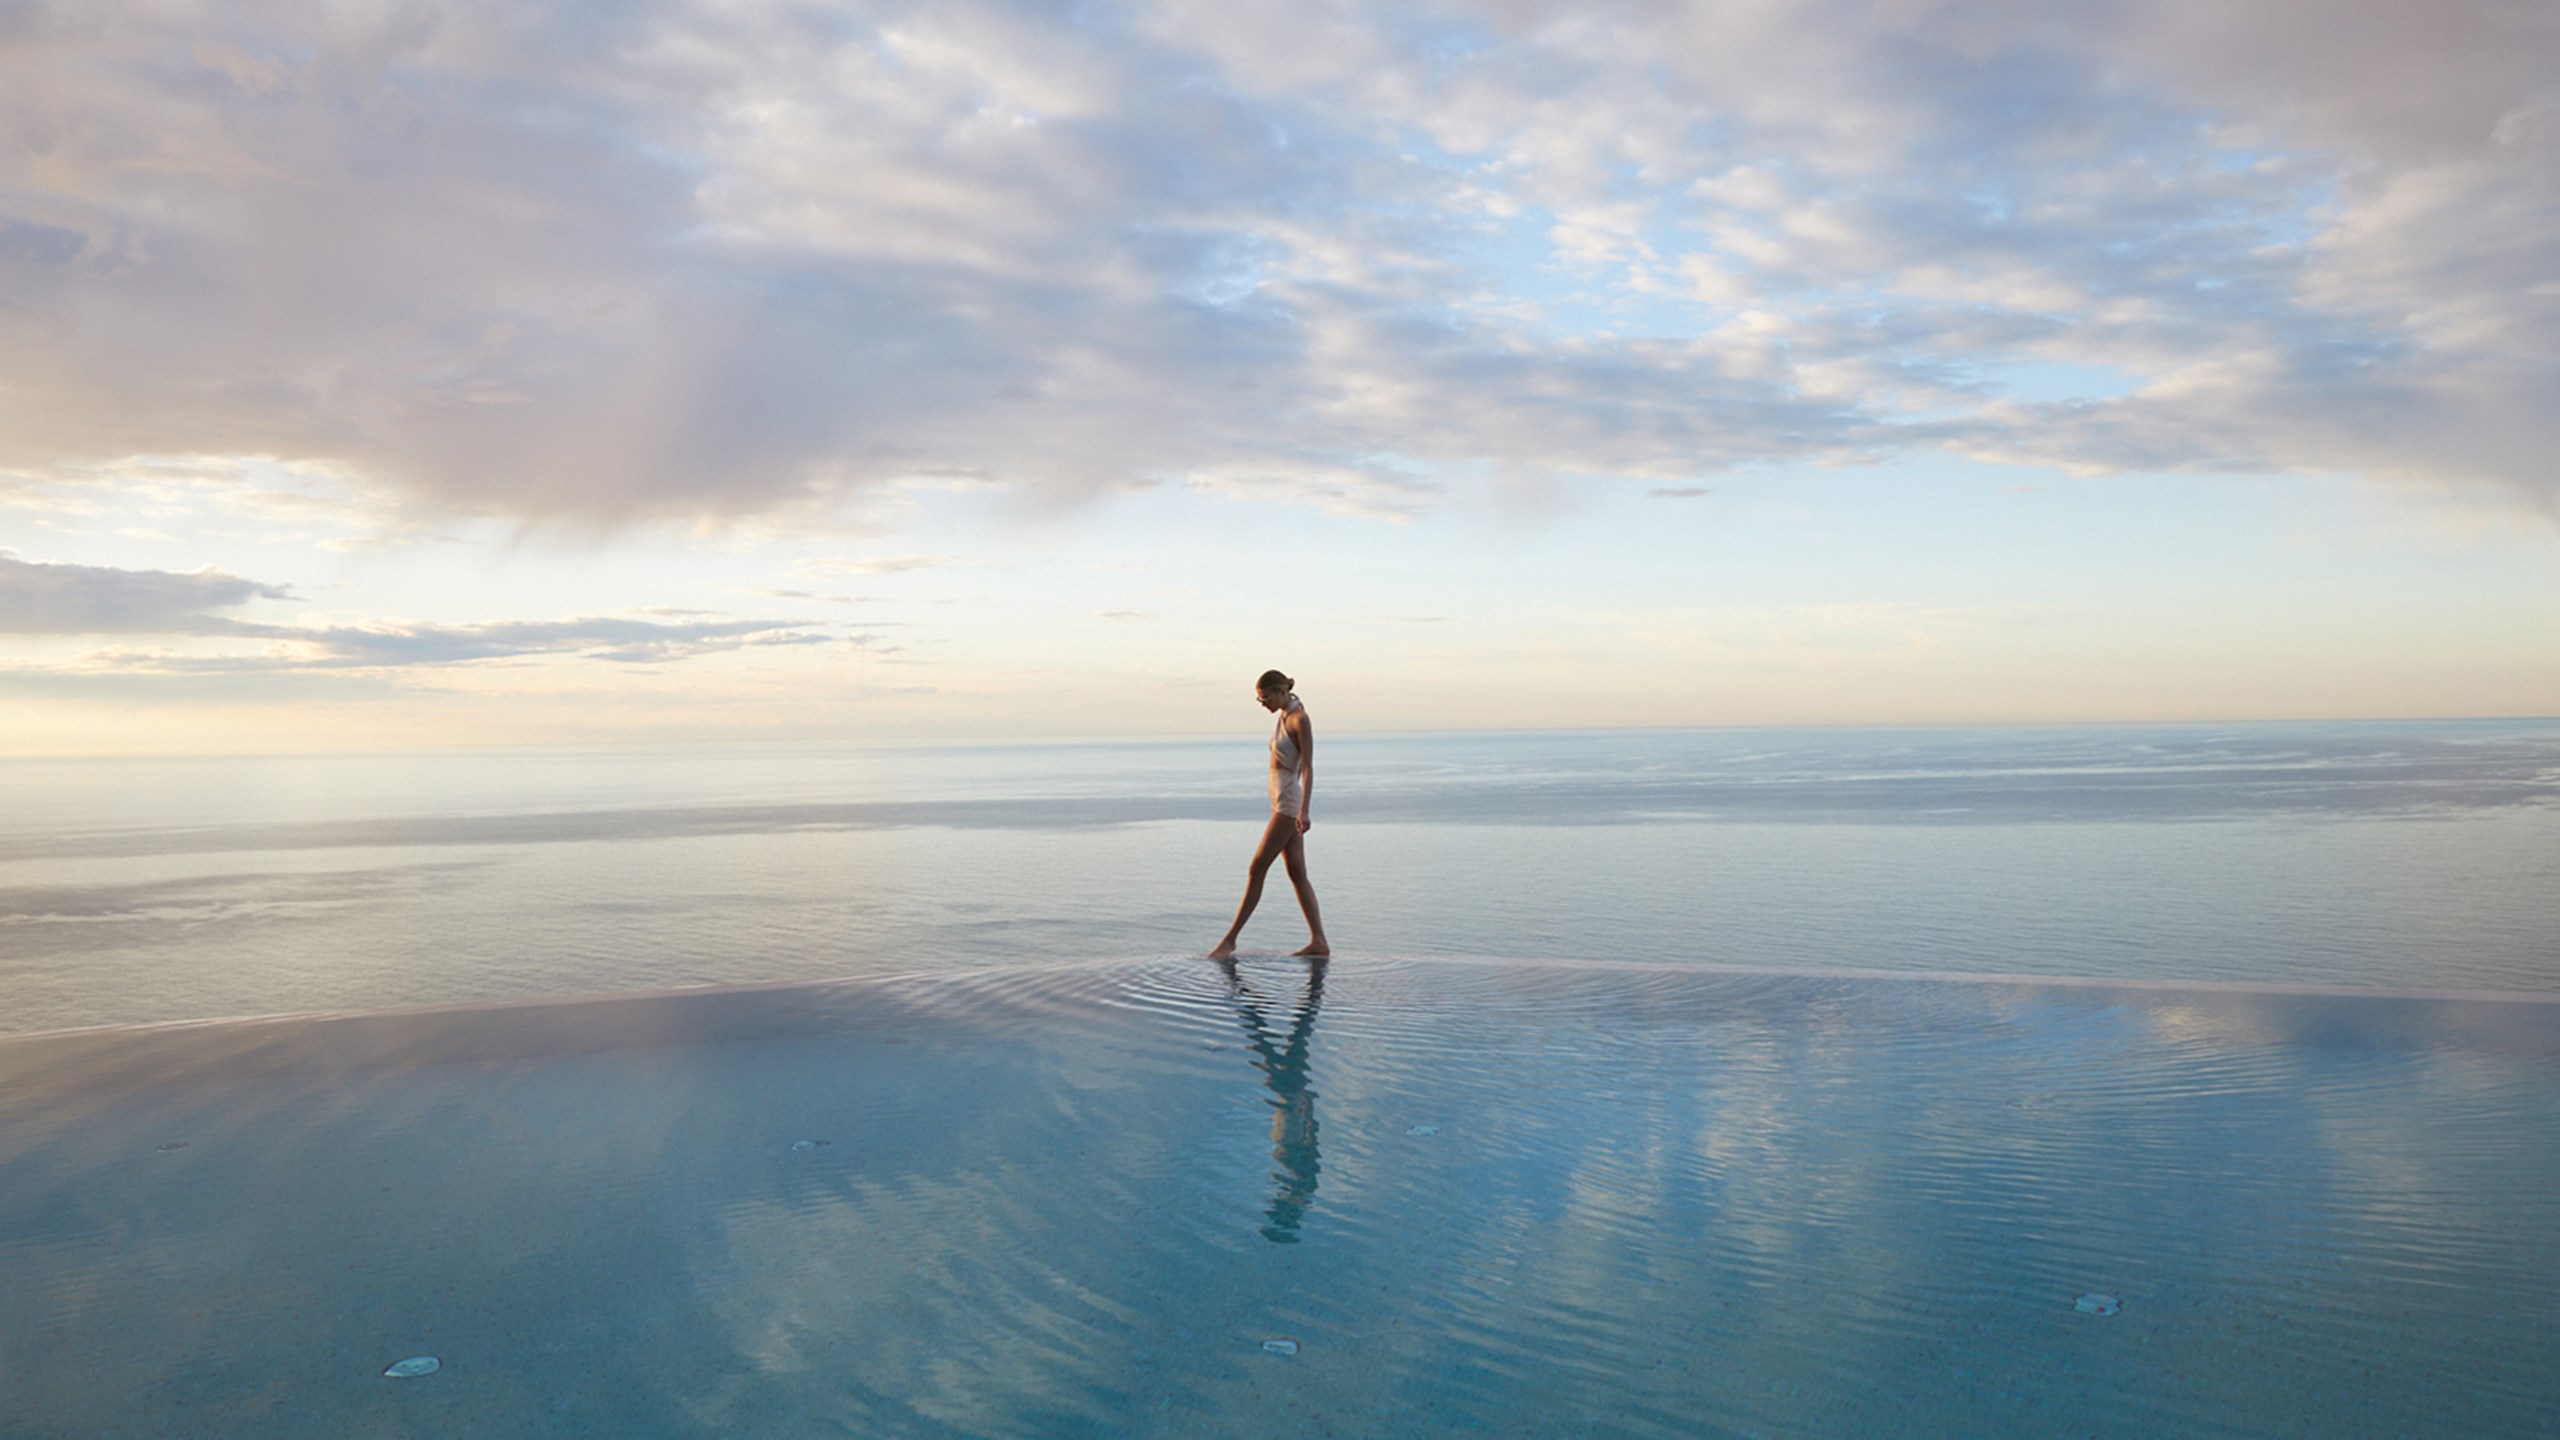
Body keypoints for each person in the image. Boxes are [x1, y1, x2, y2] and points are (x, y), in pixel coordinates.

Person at [1210, 670, 1330, 958]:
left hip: (1288, 803)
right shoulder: (1284, 714)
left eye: (1265, 698)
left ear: (1280, 692)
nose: (1262, 704)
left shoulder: (1299, 719)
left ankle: (1230, 940)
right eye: (1259, 699)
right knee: (1297, 872)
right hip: (1281, 800)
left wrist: (1304, 810)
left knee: (1257, 868)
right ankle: (1319, 942)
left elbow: (1308, 767)